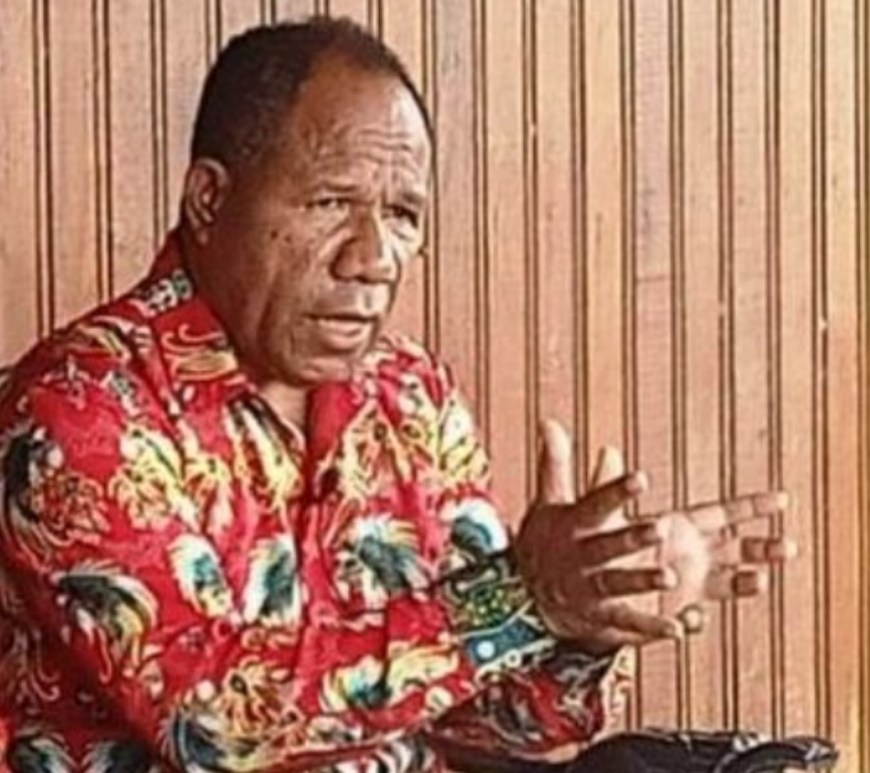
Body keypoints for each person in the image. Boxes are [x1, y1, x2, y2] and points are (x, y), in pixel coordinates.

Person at [0, 17, 795, 772]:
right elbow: (213, 727)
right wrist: (523, 598)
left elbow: (488, 720)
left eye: (404, 214)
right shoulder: (77, 406)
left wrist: (586, 620)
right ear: (209, 198)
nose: (374, 257)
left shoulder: (408, 395)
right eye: (331, 203)